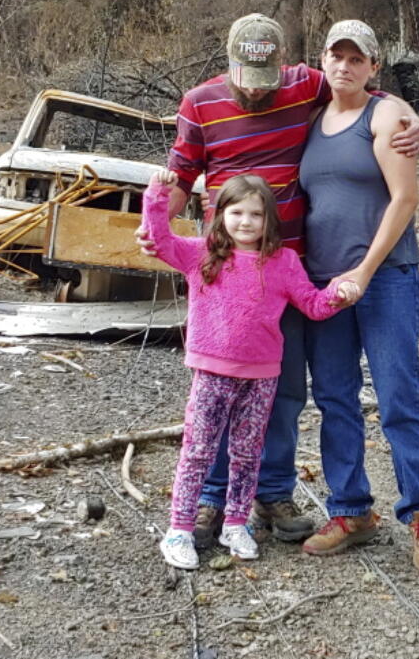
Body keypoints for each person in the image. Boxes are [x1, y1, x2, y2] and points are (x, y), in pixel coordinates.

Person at [135, 13, 419, 550]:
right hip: (223, 265)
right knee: (217, 383)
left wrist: (409, 122)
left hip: (287, 263)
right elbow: (180, 171)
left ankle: (270, 490)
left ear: (286, 66)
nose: (256, 90)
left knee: (281, 387)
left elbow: (362, 90)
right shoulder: (199, 103)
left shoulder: (307, 84)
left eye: (267, 80)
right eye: (247, 78)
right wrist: (157, 224)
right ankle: (210, 498)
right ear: (229, 62)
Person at [143, 170, 358, 569]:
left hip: (261, 376)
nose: (246, 222)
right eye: (237, 212)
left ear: (268, 220)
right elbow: (157, 240)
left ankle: (237, 523)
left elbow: (312, 304)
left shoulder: (284, 263)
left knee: (247, 453)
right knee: (198, 451)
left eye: (256, 214)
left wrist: (338, 295)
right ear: (220, 214)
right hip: (211, 372)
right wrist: (158, 194)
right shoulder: (200, 254)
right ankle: (179, 528)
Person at [297, 20, 419, 575]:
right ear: (322, 59)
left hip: (384, 279)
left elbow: (405, 198)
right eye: (335, 56)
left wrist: (363, 270)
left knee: (397, 397)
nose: (343, 66)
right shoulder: (310, 119)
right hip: (324, 283)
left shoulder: (385, 115)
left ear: (373, 67)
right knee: (335, 397)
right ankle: (351, 510)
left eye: (355, 58)